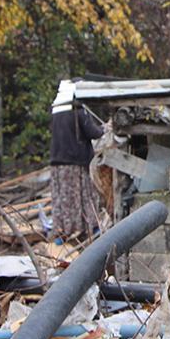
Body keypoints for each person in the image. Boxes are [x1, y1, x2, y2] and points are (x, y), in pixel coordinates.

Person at [49, 80, 105, 241]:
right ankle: (87, 227)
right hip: (75, 161)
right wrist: (104, 128)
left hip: (57, 161)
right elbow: (94, 132)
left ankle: (62, 230)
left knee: (61, 197)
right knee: (82, 195)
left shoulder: (56, 111)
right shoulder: (77, 110)